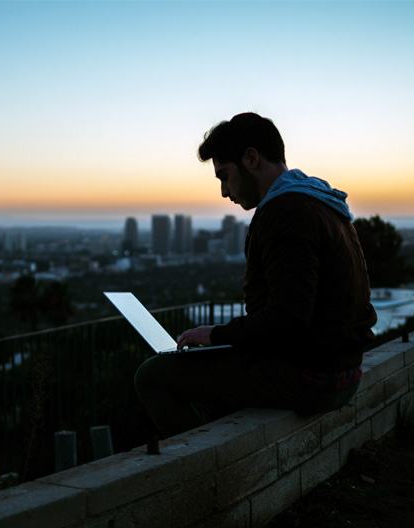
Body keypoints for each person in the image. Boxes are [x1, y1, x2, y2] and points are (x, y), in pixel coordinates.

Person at [134, 112, 377, 438]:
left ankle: (204, 470)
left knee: (152, 375)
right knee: (213, 373)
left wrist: (217, 335)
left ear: (251, 158)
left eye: (224, 176)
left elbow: (288, 319)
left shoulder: (285, 211)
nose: (224, 191)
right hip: (343, 371)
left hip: (314, 378)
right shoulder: (321, 202)